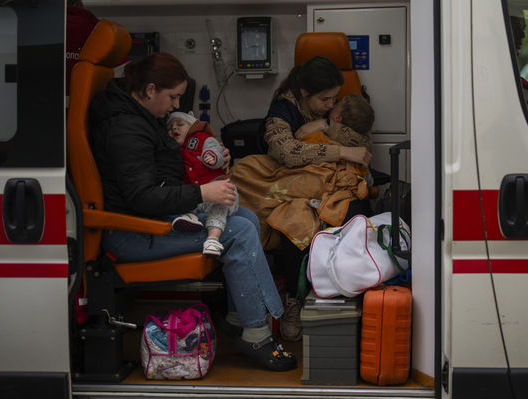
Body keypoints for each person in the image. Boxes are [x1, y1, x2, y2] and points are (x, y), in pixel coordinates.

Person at [88, 52, 296, 371]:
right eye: (172, 97)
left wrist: (209, 162)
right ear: (150, 90)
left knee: (247, 218)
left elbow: (163, 169)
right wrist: (202, 193)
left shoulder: (140, 115)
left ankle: (238, 317)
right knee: (239, 231)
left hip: (151, 220)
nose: (175, 105)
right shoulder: (125, 130)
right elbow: (142, 196)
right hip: (134, 232)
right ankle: (256, 333)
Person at [259, 57, 374, 341]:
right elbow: (286, 152)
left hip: (333, 183)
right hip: (295, 184)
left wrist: (325, 124)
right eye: (325, 100)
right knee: (295, 222)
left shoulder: (337, 110)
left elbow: (363, 143)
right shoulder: (282, 112)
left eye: (335, 99)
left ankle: (351, 297)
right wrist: (341, 151)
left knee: (356, 215)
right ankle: (295, 299)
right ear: (304, 94)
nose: (331, 104)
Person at [166, 111, 239, 256]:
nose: (174, 128)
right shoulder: (173, 149)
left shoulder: (202, 138)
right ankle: (188, 218)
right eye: (170, 128)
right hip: (195, 193)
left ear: (191, 126)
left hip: (216, 187)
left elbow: (218, 151)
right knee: (186, 201)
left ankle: (213, 239)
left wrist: (212, 156)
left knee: (221, 205)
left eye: (180, 124)